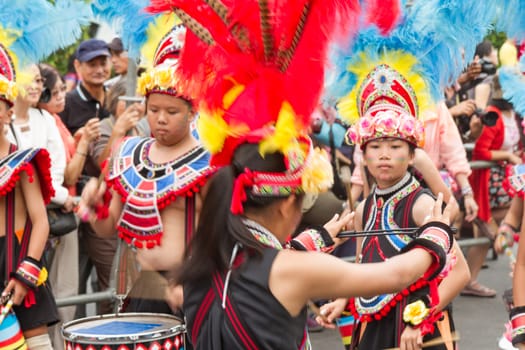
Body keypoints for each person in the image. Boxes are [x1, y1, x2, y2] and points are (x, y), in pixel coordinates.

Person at [319, 57, 470, 349]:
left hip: (416, 332)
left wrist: (420, 320)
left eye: (395, 146)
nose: (384, 155)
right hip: (374, 327)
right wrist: (344, 299)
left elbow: (459, 272)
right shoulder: (364, 209)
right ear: (363, 154)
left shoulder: (421, 206)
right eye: (375, 146)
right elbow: (364, 267)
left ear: (413, 155)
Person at [77, 23, 215, 314]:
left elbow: (220, 235)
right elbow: (107, 228)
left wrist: (193, 279)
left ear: (192, 111)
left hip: (193, 286)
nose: (161, 119)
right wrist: (94, 206)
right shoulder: (129, 154)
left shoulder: (209, 162)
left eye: (172, 111)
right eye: (154, 110)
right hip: (144, 286)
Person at [37, 63, 100, 349]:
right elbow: (66, 176)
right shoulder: (46, 121)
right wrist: (85, 142)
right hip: (59, 213)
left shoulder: (53, 120)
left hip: (61, 211)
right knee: (63, 288)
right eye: (56, 90)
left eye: (64, 88)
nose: (63, 95)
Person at [0, 43, 59, 350]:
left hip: (17, 257)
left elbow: (41, 221)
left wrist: (26, 273)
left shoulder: (22, 162)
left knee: (37, 344)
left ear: (9, 111)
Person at [58, 38, 113, 316]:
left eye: (103, 62)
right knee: (73, 282)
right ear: (78, 66)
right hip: (74, 203)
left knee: (109, 280)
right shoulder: (66, 103)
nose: (99, 69)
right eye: (92, 64)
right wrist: (81, 140)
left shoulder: (118, 99)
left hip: (108, 204)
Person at [467, 74, 523, 297]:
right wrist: (508, 156)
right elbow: (481, 150)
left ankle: (470, 279)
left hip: (507, 176)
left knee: (485, 237)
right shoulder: (493, 114)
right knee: (492, 226)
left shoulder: (513, 114)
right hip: (491, 180)